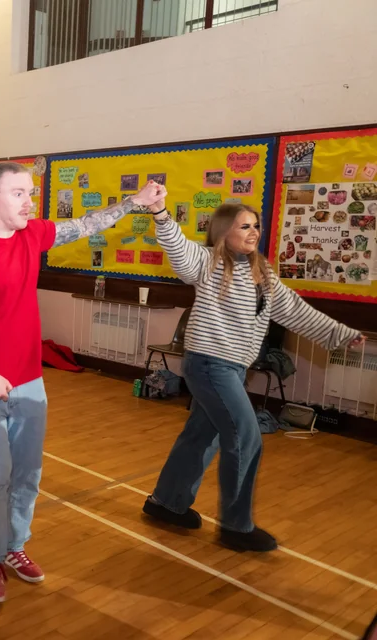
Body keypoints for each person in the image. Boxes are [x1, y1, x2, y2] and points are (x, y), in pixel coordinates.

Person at [0, 162, 163, 603]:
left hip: (28, 380)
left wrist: (134, 203)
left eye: (30, 192)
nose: (30, 201)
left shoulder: (32, 234)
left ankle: (14, 546)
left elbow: (83, 225)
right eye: (19, 193)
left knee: (27, 473)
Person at [142, 201, 363, 552]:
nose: (254, 232)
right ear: (223, 231)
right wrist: (161, 215)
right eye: (244, 226)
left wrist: (339, 333)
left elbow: (294, 310)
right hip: (209, 364)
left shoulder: (263, 272)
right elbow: (178, 249)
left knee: (202, 434)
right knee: (246, 439)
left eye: (255, 226)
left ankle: (166, 503)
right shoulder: (207, 262)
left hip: (230, 368)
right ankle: (235, 526)